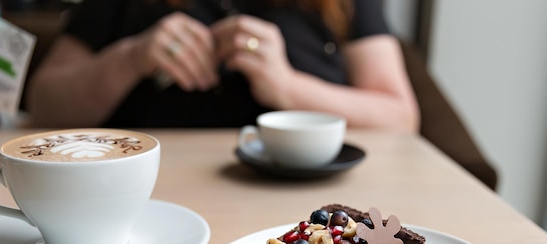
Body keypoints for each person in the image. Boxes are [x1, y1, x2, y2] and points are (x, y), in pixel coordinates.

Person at [25, 0, 419, 132]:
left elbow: (399, 116)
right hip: (142, 202)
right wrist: (129, 59)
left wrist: (287, 87)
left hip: (314, 203)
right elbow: (44, 105)